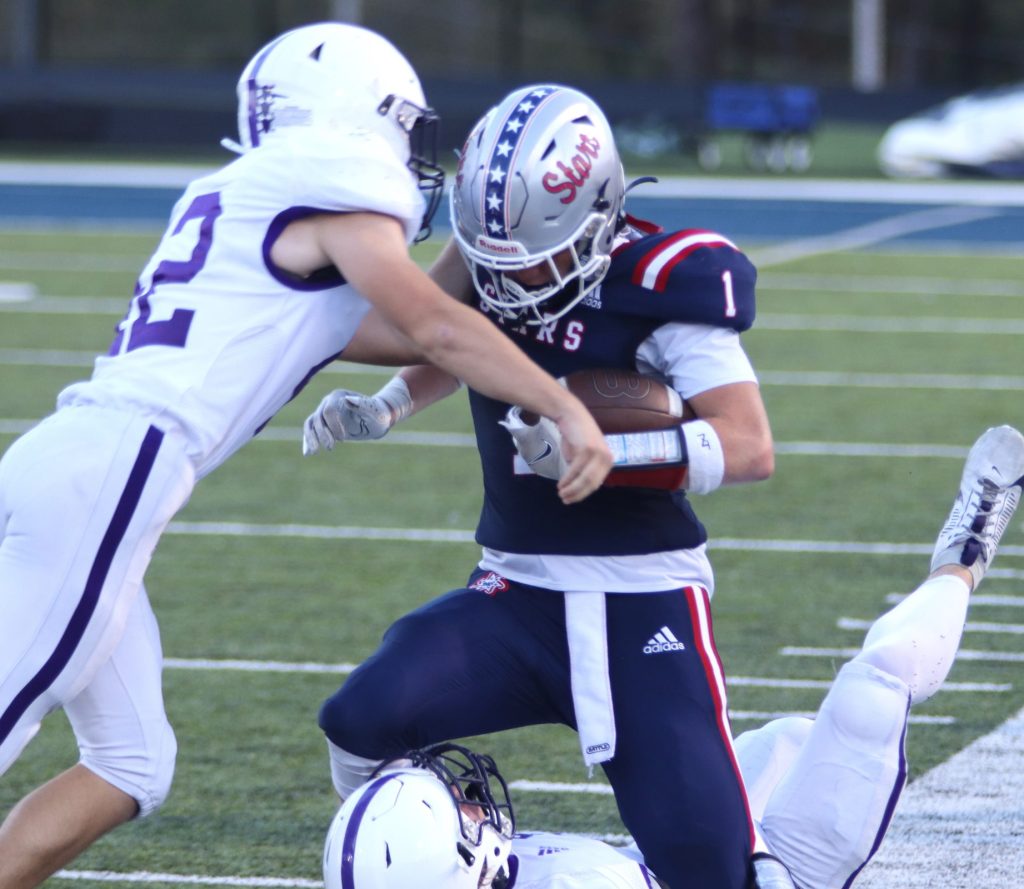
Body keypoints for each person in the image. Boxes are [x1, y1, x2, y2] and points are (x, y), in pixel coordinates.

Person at [0, 30, 613, 889]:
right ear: (360, 111)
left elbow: (401, 330)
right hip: (109, 477)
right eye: (405, 124)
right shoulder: (331, 178)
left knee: (131, 763)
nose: (411, 150)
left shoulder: (256, 202)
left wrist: (483, 242)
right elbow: (435, 327)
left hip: (85, 470)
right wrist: (565, 404)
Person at [305, 84, 775, 889]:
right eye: (495, 262)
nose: (513, 281)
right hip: (516, 592)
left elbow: (749, 444)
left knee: (713, 870)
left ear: (597, 212)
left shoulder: (663, 281)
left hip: (643, 599)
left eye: (535, 260)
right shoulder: (493, 254)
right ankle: (446, 865)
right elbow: (450, 335)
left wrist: (606, 454)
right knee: (361, 719)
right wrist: (389, 405)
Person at [322, 425, 1024, 889]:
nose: (470, 801)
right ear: (463, 857)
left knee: (787, 742)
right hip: (765, 876)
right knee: (872, 691)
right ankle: (965, 552)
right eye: (460, 814)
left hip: (657, 864)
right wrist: (760, 860)